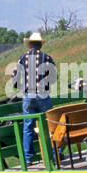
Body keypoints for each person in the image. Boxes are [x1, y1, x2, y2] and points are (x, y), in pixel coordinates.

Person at [15, 31, 56, 165]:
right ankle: (55, 154)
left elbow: (15, 80)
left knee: (28, 126)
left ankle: (28, 158)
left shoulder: (22, 58)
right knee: (50, 124)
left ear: (30, 45)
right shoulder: (47, 58)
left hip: (28, 95)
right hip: (43, 94)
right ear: (40, 45)